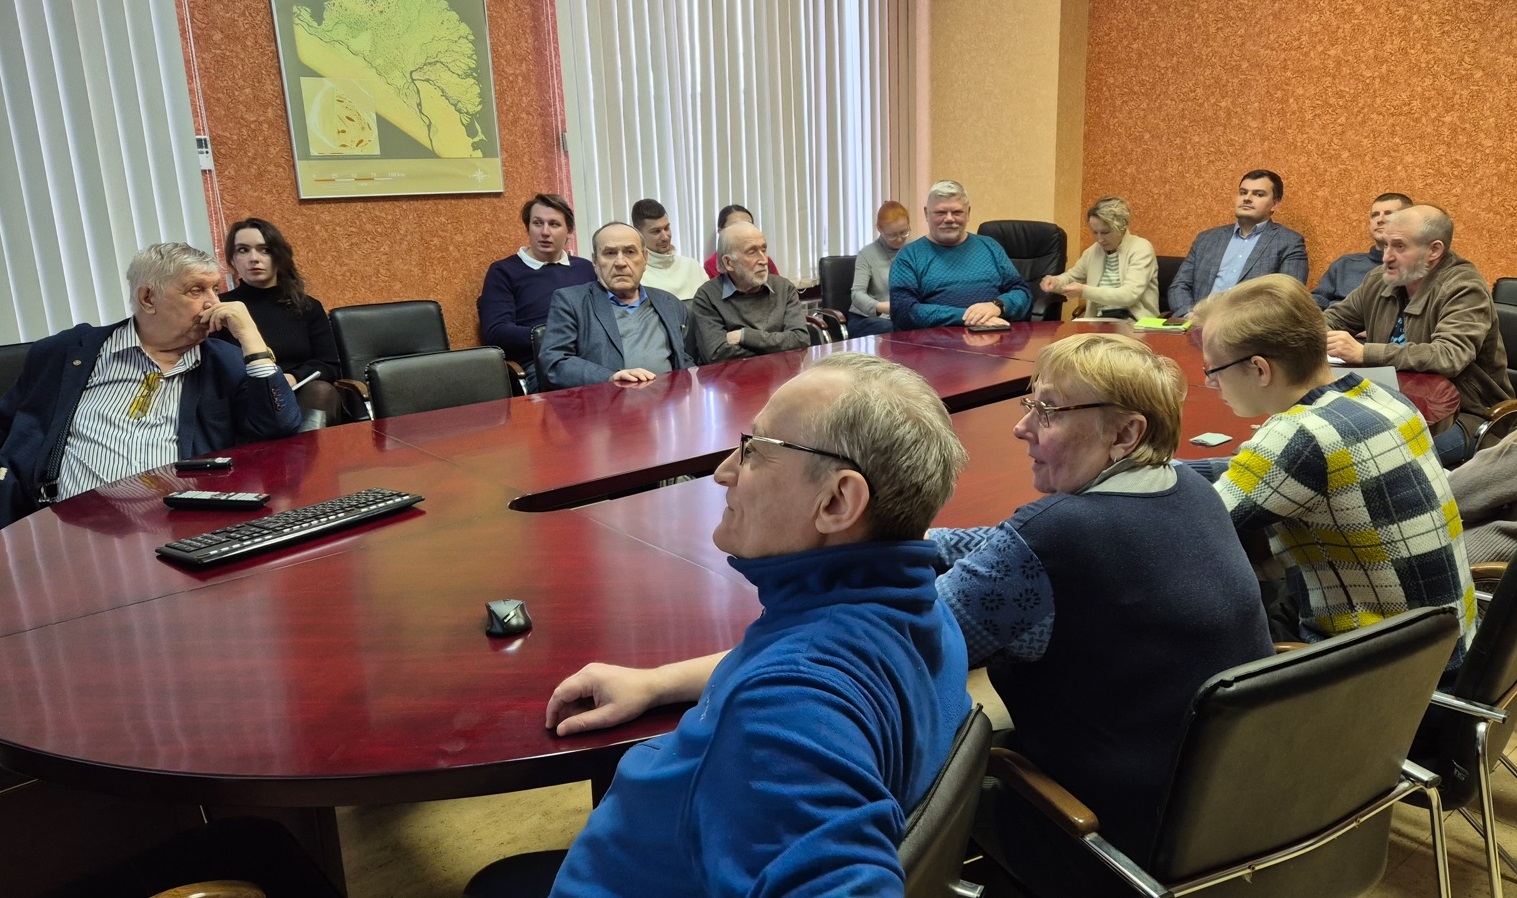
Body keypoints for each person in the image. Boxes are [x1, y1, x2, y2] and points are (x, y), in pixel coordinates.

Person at [533, 353, 972, 897]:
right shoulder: (922, 612)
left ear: (837, 501)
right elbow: (807, 665)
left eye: (755, 451)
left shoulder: (784, 711)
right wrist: (656, 682)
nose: (723, 472)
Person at [928, 333, 1272, 896]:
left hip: (1105, 839)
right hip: (1231, 812)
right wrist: (922, 545)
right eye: (1030, 404)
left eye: (1049, 411)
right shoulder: (1189, 486)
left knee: (921, 760)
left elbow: (916, 642)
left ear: (1125, 433)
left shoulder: (1055, 537)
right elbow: (1014, 543)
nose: (1022, 427)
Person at [1191, 274, 1476, 672]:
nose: (1210, 382)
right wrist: (1178, 470)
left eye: (1214, 369)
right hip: (1449, 648)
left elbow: (1186, 523)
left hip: (1385, 676)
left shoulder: (1297, 436)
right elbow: (1265, 471)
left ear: (1259, 369)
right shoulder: (1381, 397)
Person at [0, 243, 301, 528]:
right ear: (147, 298)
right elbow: (9, 427)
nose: (213, 303)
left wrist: (252, 339)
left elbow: (281, 426)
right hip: (70, 525)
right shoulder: (68, 353)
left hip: (181, 523)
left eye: (215, 289)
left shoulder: (224, 361)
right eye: (196, 290)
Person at [1324, 204, 1513, 465]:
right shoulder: (1379, 279)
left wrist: (1364, 352)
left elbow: (1449, 355)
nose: (1386, 257)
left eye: (1399, 246)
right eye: (1386, 245)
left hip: (1466, 414)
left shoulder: (1464, 287)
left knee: (1377, 460)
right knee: (1327, 444)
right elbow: (1333, 319)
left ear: (1434, 250)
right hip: (1390, 403)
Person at [538, 222, 695, 390]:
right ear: (595, 261)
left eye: (630, 252)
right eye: (610, 253)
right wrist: (609, 378)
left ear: (645, 258)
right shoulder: (571, 302)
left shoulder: (670, 303)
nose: (620, 262)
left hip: (667, 401)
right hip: (605, 402)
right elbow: (554, 362)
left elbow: (684, 359)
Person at [213, 218, 341, 421]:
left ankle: (302, 443)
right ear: (232, 260)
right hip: (245, 398)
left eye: (264, 250)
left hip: (299, 393)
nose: (253, 258)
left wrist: (293, 377)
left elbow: (329, 365)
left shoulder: (307, 306)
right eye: (243, 250)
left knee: (321, 390)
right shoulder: (221, 308)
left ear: (279, 256)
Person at [478, 193, 596, 391]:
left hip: (590, 356)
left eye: (554, 224)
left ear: (569, 231)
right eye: (537, 223)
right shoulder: (503, 271)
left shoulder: (584, 268)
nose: (545, 232)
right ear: (528, 228)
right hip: (540, 363)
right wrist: (554, 334)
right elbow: (496, 332)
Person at [889, 180, 1031, 329]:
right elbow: (902, 310)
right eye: (940, 213)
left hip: (995, 336)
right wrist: (966, 316)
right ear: (926, 213)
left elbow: (1023, 294)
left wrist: (998, 306)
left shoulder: (990, 246)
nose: (949, 219)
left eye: (957, 212)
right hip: (935, 341)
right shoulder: (909, 256)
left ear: (968, 213)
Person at [1168, 170, 1308, 316]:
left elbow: (1288, 300)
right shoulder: (1206, 239)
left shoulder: (1289, 242)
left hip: (1248, 327)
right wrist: (1190, 316)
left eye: (1258, 194)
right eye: (1243, 192)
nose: (1247, 198)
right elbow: (1179, 286)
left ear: (1275, 204)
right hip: (1196, 322)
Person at [689, 221, 808, 363]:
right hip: (733, 376)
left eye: (764, 249)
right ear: (728, 263)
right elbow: (717, 355)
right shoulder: (707, 296)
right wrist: (777, 345)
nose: (764, 260)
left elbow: (800, 340)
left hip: (782, 373)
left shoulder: (784, 288)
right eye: (752, 252)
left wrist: (745, 336)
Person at [1038, 196, 1159, 320]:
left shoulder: (1141, 249)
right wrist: (1055, 282)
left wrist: (1084, 291)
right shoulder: (1092, 252)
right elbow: (1071, 277)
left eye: (1105, 232)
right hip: (1100, 321)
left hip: (1134, 321)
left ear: (1121, 228)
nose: (1100, 239)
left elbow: (1129, 295)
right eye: (1095, 232)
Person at [1311, 193, 1414, 309]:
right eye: (1375, 215)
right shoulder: (1345, 264)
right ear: (1369, 223)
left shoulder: (1415, 267)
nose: (1380, 220)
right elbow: (1316, 301)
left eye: (1389, 214)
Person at [846, 201, 909, 336]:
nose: (899, 239)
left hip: (903, 316)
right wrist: (880, 306)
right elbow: (857, 294)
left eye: (903, 232)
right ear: (879, 229)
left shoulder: (913, 250)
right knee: (894, 328)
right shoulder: (867, 254)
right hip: (867, 318)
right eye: (892, 235)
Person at [629, 198, 706, 300]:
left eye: (666, 228)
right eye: (656, 231)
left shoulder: (692, 266)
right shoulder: (634, 275)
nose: (665, 237)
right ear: (638, 233)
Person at [701, 204, 780, 279]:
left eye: (748, 226)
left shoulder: (764, 259)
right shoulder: (712, 265)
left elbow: (778, 286)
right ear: (720, 231)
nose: (743, 230)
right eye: (736, 226)